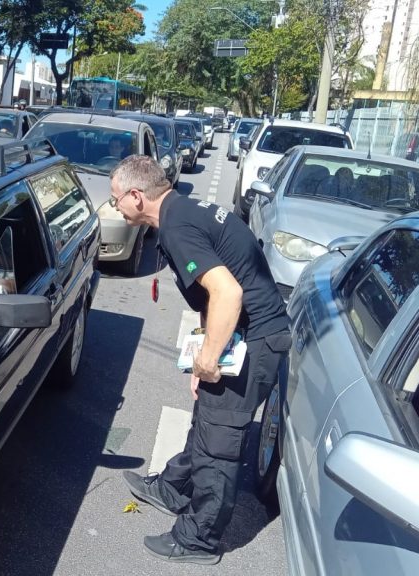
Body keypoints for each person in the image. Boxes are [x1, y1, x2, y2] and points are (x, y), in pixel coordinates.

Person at [109, 155, 291, 565]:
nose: (115, 207)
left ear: (137, 197)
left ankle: (198, 539)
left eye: (116, 199)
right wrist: (203, 356)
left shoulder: (177, 226)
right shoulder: (181, 211)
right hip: (244, 333)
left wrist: (210, 360)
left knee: (218, 443)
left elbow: (228, 293)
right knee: (208, 418)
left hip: (258, 339)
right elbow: (213, 294)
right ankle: (173, 488)